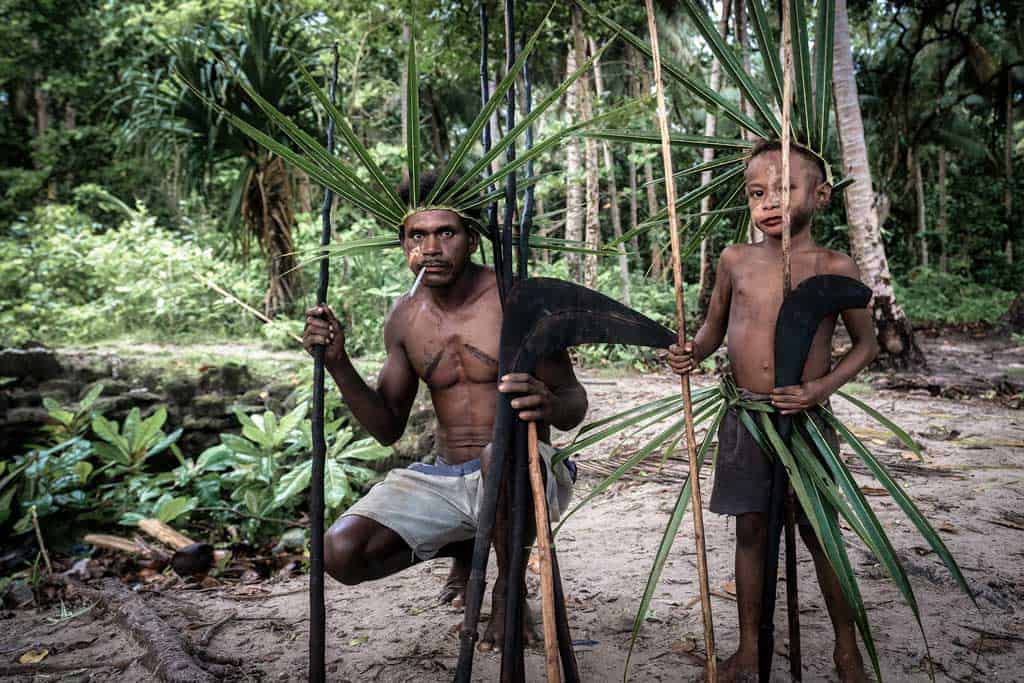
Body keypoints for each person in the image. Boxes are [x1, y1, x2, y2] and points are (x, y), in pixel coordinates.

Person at [302, 171, 588, 651]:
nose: (431, 248)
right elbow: (387, 428)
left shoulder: (516, 301)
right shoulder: (404, 318)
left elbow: (574, 403)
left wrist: (550, 401)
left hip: (526, 473)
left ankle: (506, 589)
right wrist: (338, 365)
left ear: (472, 239)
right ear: (403, 244)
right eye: (418, 235)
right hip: (447, 478)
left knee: (499, 452)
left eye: (446, 233)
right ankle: (464, 546)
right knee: (340, 552)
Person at [667, 140, 878, 683]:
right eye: (757, 192)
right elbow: (714, 330)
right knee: (752, 530)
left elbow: (864, 345)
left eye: (783, 187)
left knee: (818, 531)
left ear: (821, 194)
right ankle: (749, 647)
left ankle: (846, 646)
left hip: (805, 420)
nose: (768, 201)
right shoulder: (735, 260)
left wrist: (819, 389)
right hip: (746, 418)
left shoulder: (834, 265)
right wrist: (693, 350)